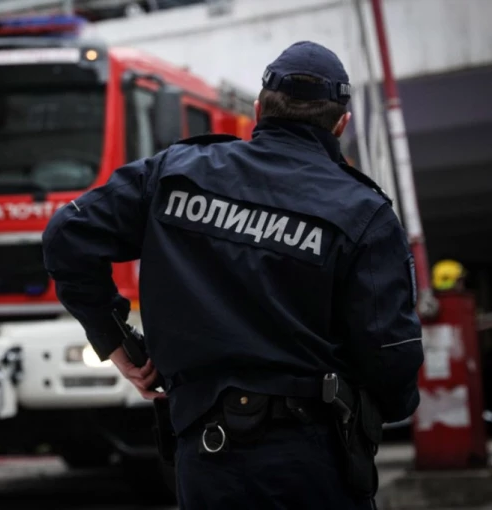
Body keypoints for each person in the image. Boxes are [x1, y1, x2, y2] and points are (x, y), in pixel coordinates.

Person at [42, 41, 424, 509]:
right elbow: (391, 355)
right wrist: (382, 410)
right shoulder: (363, 212)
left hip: (206, 455)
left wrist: (115, 340)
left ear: (259, 110)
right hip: (314, 459)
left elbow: (66, 235)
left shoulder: (175, 173)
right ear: (340, 123)